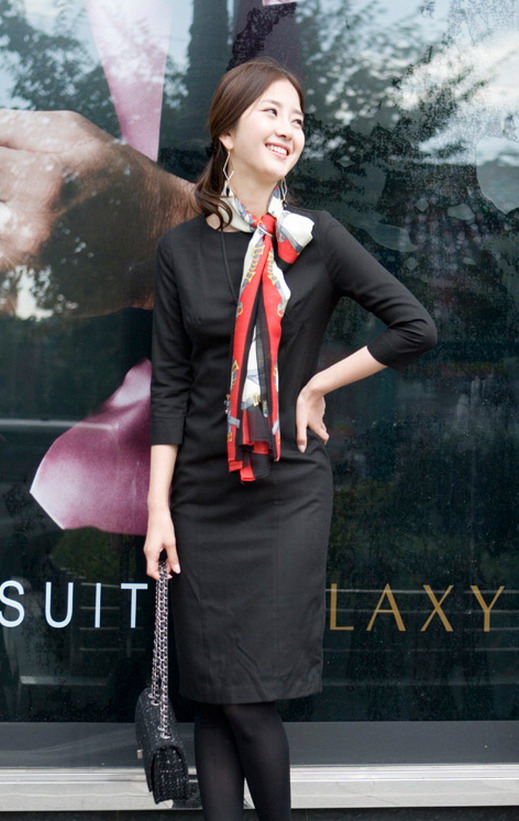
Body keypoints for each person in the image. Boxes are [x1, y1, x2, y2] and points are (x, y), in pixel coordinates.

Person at [143, 57, 437, 821]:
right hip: (199, 495)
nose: (288, 129)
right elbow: (169, 386)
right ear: (225, 132)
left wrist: (316, 384)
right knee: (212, 692)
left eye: (298, 119)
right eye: (271, 112)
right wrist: (158, 510)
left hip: (283, 492)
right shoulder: (179, 251)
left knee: (247, 697)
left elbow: (414, 326)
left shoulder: (318, 239)